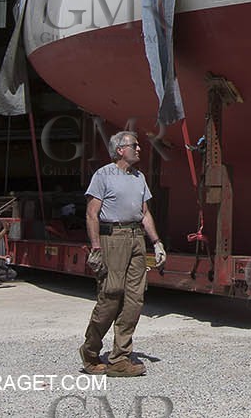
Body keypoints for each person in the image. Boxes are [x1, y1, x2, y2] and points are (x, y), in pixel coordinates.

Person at [79, 131, 165, 377]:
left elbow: (144, 213)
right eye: (134, 145)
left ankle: (119, 359)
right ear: (120, 150)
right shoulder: (103, 175)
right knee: (111, 295)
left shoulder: (139, 177)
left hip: (136, 238)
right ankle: (90, 352)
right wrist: (96, 247)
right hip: (113, 239)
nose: (139, 149)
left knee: (134, 300)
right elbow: (92, 214)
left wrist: (156, 242)